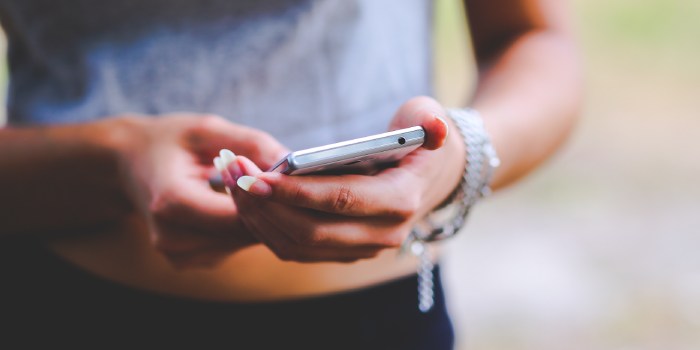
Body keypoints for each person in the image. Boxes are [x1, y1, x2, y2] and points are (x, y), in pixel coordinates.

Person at [0, 0, 581, 348]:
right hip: (66, 311)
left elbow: (533, 39)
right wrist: (113, 158)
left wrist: (461, 157)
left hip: (378, 326)